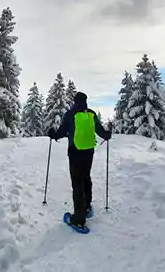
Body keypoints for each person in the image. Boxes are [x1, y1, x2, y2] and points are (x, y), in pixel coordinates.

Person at [48, 91, 111, 229]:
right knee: (86, 178)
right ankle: (87, 207)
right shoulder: (91, 113)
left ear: (75, 101)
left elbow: (62, 132)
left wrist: (53, 134)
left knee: (77, 182)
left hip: (75, 151)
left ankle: (79, 219)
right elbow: (100, 131)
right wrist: (107, 135)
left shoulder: (70, 114)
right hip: (89, 151)